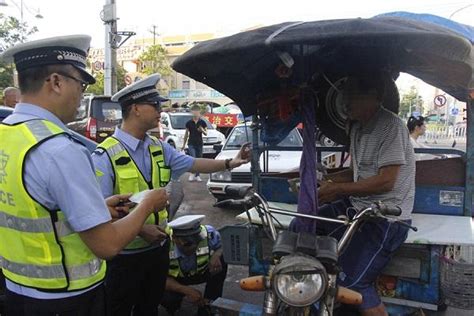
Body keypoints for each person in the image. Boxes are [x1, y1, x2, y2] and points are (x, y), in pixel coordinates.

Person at [0, 35, 168, 316]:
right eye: (81, 83)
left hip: (17, 290)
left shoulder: (8, 134)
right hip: (67, 297)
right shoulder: (60, 149)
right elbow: (107, 245)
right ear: (55, 82)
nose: (81, 94)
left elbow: (34, 207)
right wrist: (148, 203)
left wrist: (97, 209)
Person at [92, 73, 250, 316]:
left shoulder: (157, 146)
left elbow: (194, 163)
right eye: (154, 105)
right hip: (124, 257)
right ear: (135, 109)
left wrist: (232, 162)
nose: (160, 109)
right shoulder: (105, 155)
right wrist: (142, 229)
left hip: (157, 252)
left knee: (149, 308)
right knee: (119, 310)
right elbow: (99, 210)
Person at [312, 74, 415, 316]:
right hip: (357, 206)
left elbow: (386, 181)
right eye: (344, 96)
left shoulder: (391, 127)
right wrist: (322, 182)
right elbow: (357, 173)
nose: (345, 102)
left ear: (376, 97)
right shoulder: (357, 127)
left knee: (354, 283)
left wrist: (335, 189)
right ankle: (318, 288)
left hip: (385, 217)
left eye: (353, 96)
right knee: (304, 225)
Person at [161, 215, 226, 316]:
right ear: (175, 239)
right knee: (167, 297)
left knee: (223, 261)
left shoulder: (209, 234)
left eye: (197, 241)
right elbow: (158, 278)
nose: (195, 246)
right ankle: (173, 307)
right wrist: (185, 290)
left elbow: (224, 245)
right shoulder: (163, 245)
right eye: (188, 244)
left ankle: (209, 304)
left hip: (202, 272)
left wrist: (216, 255)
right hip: (176, 278)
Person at [182, 104, 208, 182]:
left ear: (199, 112)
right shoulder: (189, 123)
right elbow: (186, 134)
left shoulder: (202, 122)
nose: (196, 113)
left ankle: (197, 175)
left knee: (199, 159)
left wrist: (202, 129)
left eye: (197, 111)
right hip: (191, 143)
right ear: (192, 112)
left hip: (199, 143)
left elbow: (206, 133)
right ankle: (192, 174)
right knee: (193, 158)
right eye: (194, 111)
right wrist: (183, 145)